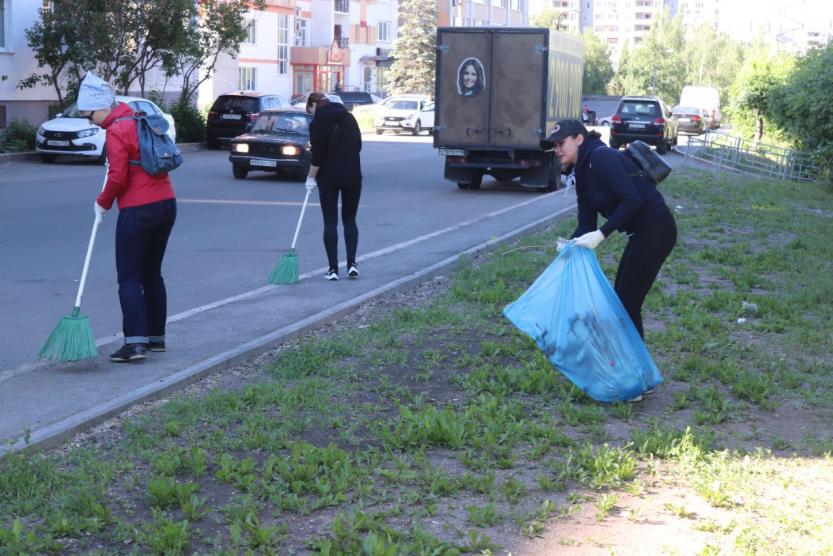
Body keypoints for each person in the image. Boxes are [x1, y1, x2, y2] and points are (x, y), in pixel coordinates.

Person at [542, 119, 677, 339]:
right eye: (553, 146)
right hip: (641, 233)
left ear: (579, 139)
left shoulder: (600, 157)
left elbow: (632, 200)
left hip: (657, 229)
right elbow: (586, 223)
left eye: (560, 143)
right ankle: (631, 361)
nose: (556, 150)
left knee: (627, 302)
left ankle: (637, 366)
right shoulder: (582, 173)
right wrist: (571, 244)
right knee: (622, 300)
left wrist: (602, 234)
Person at [78, 73, 177, 363]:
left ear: (103, 107)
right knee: (152, 273)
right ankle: (156, 339)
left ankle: (135, 344)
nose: (91, 120)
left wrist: (102, 203)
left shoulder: (117, 131)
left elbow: (118, 176)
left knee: (130, 276)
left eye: (90, 115)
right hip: (166, 204)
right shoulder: (139, 117)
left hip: (138, 209)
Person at [304, 92, 363, 281]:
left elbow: (318, 155)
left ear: (314, 105)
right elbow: (358, 145)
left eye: (310, 110)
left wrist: (310, 178)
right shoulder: (349, 117)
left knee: (330, 222)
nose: (311, 114)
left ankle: (333, 269)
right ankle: (352, 265)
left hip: (328, 178)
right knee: (350, 220)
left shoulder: (317, 124)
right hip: (352, 175)